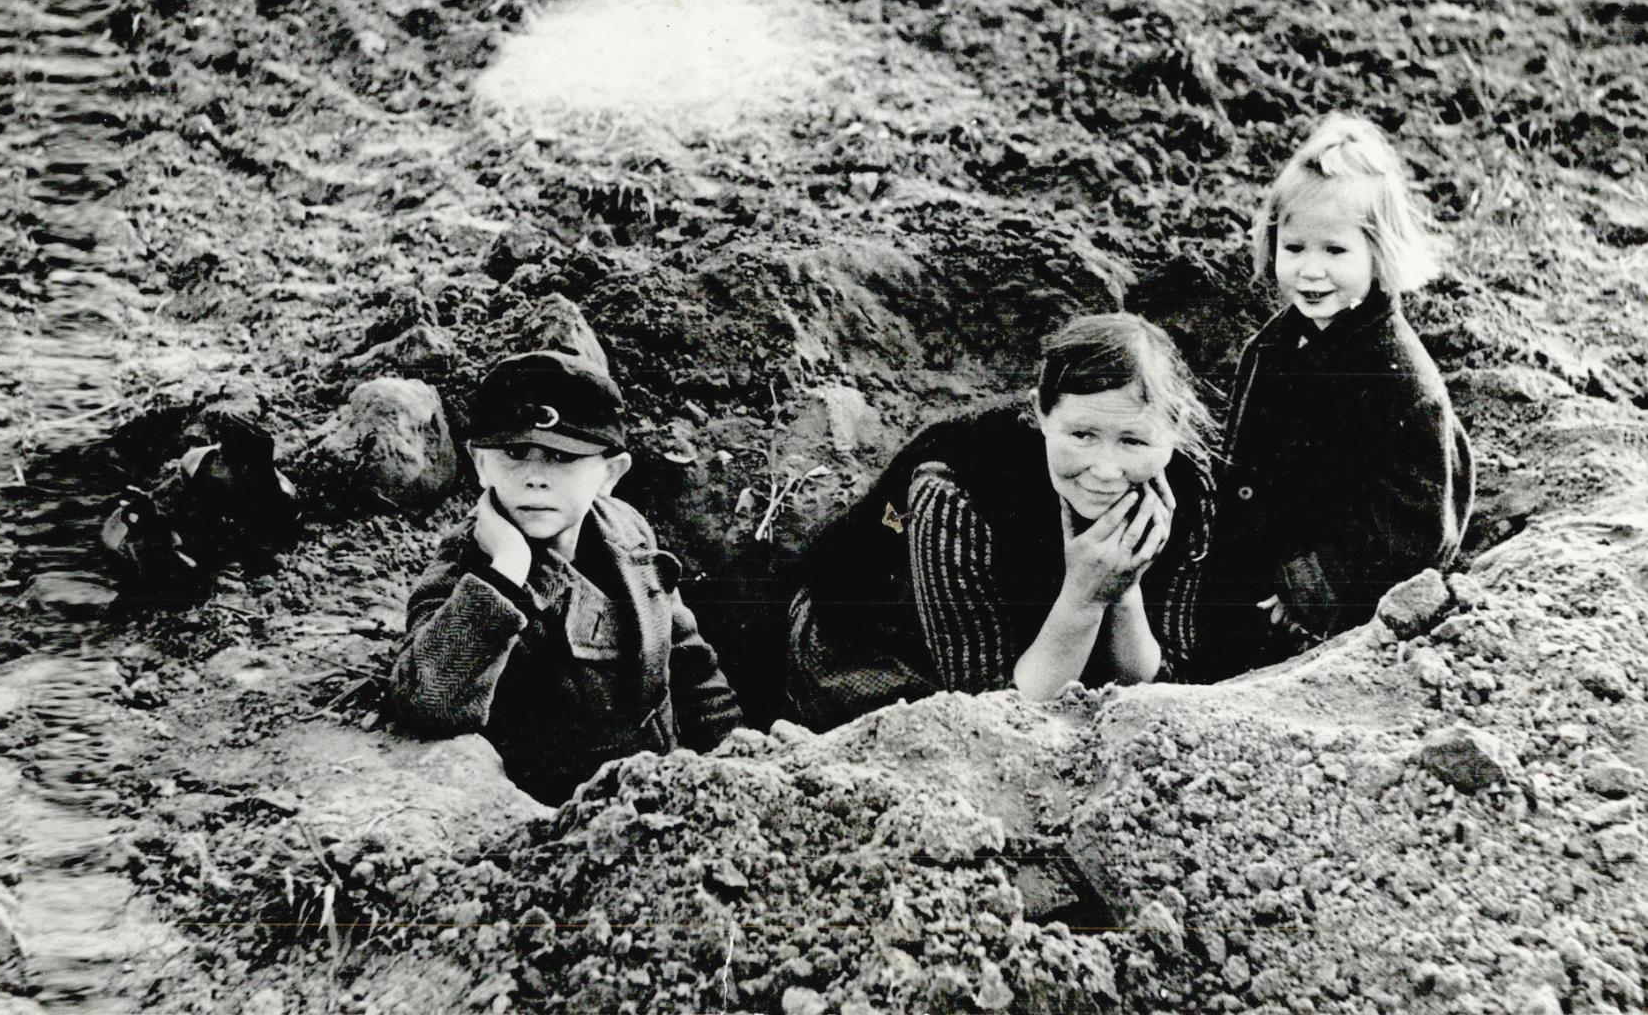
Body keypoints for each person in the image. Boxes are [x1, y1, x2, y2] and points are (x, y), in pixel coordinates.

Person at [783, 313, 1215, 731]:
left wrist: (1123, 588)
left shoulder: (1188, 491)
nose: (1105, 469)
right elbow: (989, 716)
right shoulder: (959, 487)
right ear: (1041, 414)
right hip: (880, 637)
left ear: (1174, 429)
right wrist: (1083, 597)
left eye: (1133, 440)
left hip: (1040, 646)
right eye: (1081, 435)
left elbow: (1157, 680)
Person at [390, 346, 744, 804]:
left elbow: (693, 667)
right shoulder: (468, 569)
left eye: (562, 457)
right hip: (563, 827)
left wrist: (738, 761)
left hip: (670, 789)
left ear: (610, 473)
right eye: (516, 452)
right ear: (480, 463)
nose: (536, 477)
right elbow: (426, 699)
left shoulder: (627, 531)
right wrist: (507, 572)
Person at [1199, 114, 1473, 678]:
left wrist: (1313, 588)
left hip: (1320, 619)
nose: (1311, 270)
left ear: (1380, 254)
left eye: (1336, 251)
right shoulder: (1274, 346)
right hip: (1249, 577)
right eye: (1294, 247)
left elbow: (1420, 522)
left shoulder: (1398, 380)